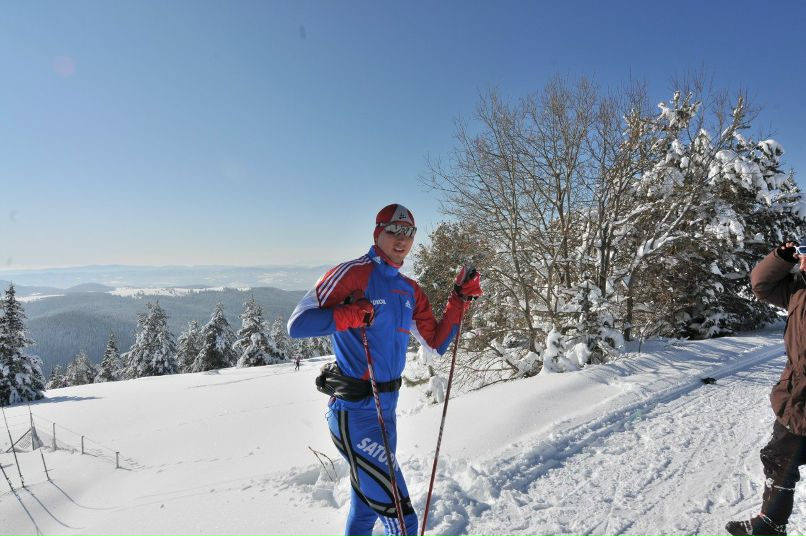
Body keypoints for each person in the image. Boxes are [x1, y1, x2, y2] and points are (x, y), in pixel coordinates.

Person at [287, 203, 482, 536]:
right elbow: (297, 324)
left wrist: (457, 300)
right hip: (353, 416)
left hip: (386, 416)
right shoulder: (352, 274)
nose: (402, 239)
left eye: (409, 233)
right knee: (402, 521)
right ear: (378, 233)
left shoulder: (409, 290)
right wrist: (348, 315)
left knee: (365, 512)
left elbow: (436, 343)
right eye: (394, 230)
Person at [727, 238, 806, 536]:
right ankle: (770, 524)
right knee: (779, 458)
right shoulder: (798, 287)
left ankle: (770, 525)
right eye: (803, 252)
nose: (803, 259)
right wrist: (782, 256)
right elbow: (761, 285)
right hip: (795, 395)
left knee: (781, 457)